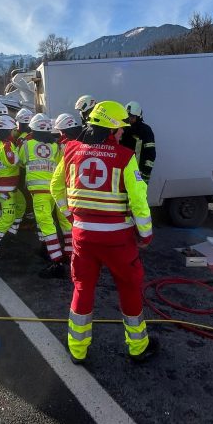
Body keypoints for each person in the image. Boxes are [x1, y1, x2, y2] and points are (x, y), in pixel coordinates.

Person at [51, 100, 154, 364]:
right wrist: (145, 235)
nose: (122, 133)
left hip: (83, 238)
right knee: (129, 288)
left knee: (82, 288)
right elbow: (139, 201)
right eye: (119, 128)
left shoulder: (70, 151)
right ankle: (138, 348)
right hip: (118, 240)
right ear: (110, 128)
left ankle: (77, 349)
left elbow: (55, 187)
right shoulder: (125, 157)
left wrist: (69, 215)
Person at [19, 113, 72, 278]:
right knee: (65, 222)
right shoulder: (56, 146)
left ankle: (56, 263)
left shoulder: (27, 145)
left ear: (32, 129)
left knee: (47, 226)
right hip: (58, 191)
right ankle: (71, 257)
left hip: (40, 193)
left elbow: (21, 162)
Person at [0, 115, 26, 253]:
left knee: (21, 205)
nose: (15, 132)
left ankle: (10, 233)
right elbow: (13, 161)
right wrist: (23, 151)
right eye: (13, 130)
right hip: (5, 188)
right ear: (8, 131)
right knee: (8, 216)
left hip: (7, 187)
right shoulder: (7, 145)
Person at [120, 101, 156, 184]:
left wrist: (145, 173)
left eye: (132, 117)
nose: (129, 119)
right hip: (121, 170)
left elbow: (150, 154)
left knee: (138, 196)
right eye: (127, 116)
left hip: (137, 172)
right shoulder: (122, 128)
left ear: (138, 116)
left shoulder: (145, 130)